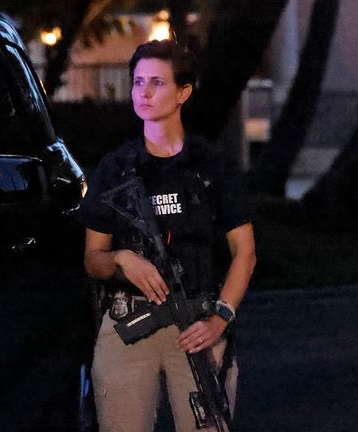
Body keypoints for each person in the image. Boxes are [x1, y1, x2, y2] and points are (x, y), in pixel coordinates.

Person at [77, 39, 256, 432]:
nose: (144, 92)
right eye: (138, 82)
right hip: (127, 325)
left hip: (196, 325)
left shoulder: (211, 165)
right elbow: (94, 258)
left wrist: (222, 316)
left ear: (182, 93)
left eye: (157, 83)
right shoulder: (116, 168)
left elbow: (245, 252)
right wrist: (123, 260)